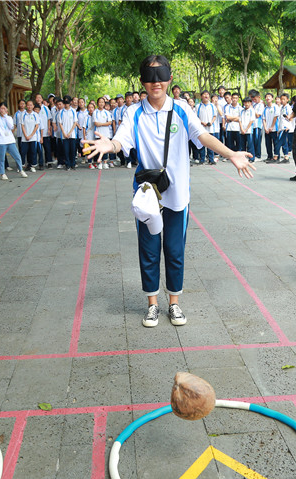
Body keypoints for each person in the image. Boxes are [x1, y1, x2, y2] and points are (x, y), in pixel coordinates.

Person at [84, 54, 255, 328]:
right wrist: (110, 146)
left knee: (175, 251)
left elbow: (203, 136)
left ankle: (174, 304)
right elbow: (121, 139)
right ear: (142, 82)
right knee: (149, 250)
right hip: (147, 195)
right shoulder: (134, 112)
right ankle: (152, 305)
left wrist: (231, 153)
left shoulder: (182, 110)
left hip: (177, 196)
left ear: (170, 79)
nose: (156, 83)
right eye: (150, 78)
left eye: (161, 76)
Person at [0, 102, 28, 180]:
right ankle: (2, 173)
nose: (2, 110)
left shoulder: (9, 118)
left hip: (10, 140)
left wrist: (6, 117)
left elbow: (11, 126)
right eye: (1, 108)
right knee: (1, 158)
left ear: (7, 109)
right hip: (1, 140)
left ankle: (21, 170)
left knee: (17, 156)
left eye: (4, 108)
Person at [196, 91, 217, 164]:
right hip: (201, 128)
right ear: (201, 96)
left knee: (211, 144)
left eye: (207, 94)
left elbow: (214, 116)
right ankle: (202, 159)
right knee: (201, 144)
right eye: (204, 94)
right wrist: (202, 123)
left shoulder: (212, 106)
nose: (206, 96)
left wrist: (211, 122)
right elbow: (196, 117)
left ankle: (211, 159)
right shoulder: (198, 106)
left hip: (210, 128)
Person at [93, 96, 115, 169]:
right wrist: (103, 124)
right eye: (100, 102)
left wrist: (101, 124)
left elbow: (109, 122)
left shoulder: (107, 112)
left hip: (106, 133)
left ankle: (105, 162)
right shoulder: (95, 112)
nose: (101, 103)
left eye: (102, 102)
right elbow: (96, 123)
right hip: (98, 133)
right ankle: (99, 163)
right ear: (97, 103)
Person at [57, 95, 78, 170]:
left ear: (70, 102)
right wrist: (64, 133)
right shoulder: (61, 112)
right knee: (66, 150)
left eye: (68, 102)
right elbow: (60, 123)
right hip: (64, 135)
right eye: (65, 103)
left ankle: (73, 164)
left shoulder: (73, 111)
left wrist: (69, 133)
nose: (66, 104)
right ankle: (67, 164)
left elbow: (75, 122)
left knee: (72, 150)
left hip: (72, 134)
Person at [20, 99, 40, 172]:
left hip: (33, 137)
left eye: (31, 105)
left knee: (33, 151)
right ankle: (21, 165)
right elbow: (22, 126)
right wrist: (26, 135)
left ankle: (32, 165)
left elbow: (36, 126)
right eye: (28, 105)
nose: (29, 106)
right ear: (26, 106)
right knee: (23, 152)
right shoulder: (23, 114)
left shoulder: (35, 115)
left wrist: (31, 135)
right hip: (25, 137)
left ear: (33, 106)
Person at [275, 94, 292, 164]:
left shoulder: (288, 107)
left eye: (284, 99)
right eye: (281, 99)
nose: (282, 101)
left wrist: (288, 126)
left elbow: (291, 117)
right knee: (284, 143)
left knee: (278, 142)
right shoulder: (282, 107)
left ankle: (275, 156)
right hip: (281, 127)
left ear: (287, 99)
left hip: (285, 127)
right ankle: (286, 157)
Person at [239, 96, 256, 162]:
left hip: (249, 131)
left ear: (250, 103)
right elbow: (239, 120)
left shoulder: (252, 111)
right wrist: (242, 129)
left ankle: (251, 158)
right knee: (242, 145)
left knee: (250, 145)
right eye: (245, 103)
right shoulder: (241, 111)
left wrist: (246, 129)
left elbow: (251, 121)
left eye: (248, 102)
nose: (246, 104)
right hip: (242, 130)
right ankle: (243, 158)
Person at [262, 93, 278, 163]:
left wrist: (272, 127)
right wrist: (265, 128)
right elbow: (263, 119)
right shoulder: (265, 109)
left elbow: (275, 117)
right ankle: (269, 156)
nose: (268, 98)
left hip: (274, 129)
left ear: (272, 98)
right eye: (266, 97)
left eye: (269, 97)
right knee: (268, 143)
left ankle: (276, 156)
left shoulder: (275, 107)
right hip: (267, 129)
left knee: (275, 143)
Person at [250, 90, 264, 161]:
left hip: (258, 125)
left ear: (259, 97)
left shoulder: (261, 105)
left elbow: (258, 115)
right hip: (252, 125)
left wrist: (252, 109)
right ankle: (254, 154)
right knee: (253, 140)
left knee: (257, 140)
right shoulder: (254, 104)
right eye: (253, 99)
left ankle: (258, 155)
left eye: (255, 99)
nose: (254, 100)